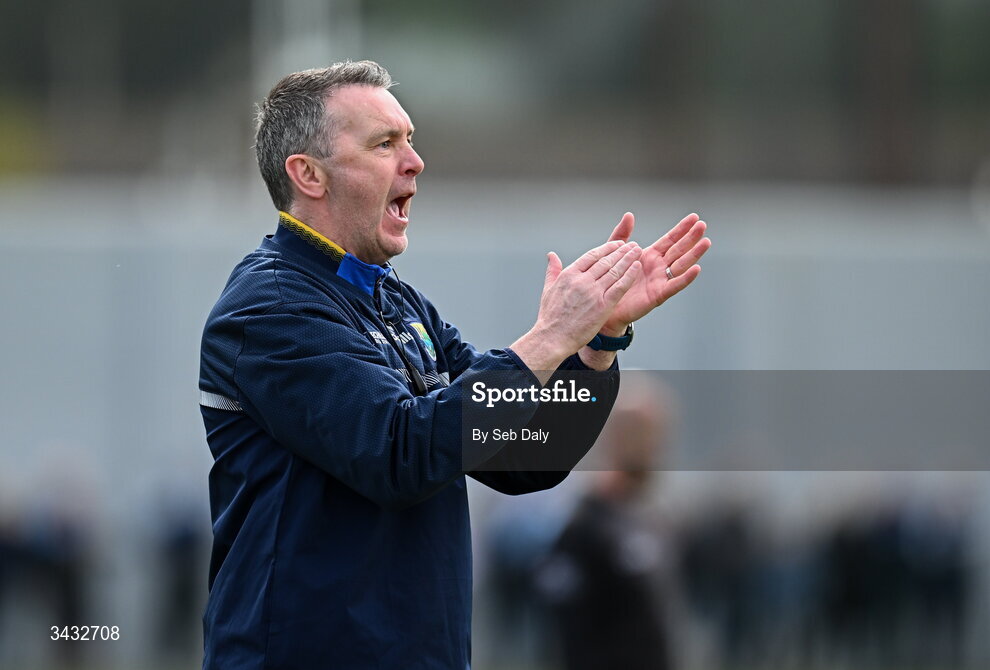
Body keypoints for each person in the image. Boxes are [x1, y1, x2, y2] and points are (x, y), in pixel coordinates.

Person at [198, 60, 710, 669]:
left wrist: (597, 342)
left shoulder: (398, 300)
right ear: (308, 174)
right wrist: (547, 337)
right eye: (385, 143)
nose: (414, 161)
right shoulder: (271, 307)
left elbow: (523, 454)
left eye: (410, 140)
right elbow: (400, 452)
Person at [536, 373, 676, 670]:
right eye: (644, 432)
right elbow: (568, 631)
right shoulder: (584, 525)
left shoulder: (655, 519)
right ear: (613, 436)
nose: (655, 447)